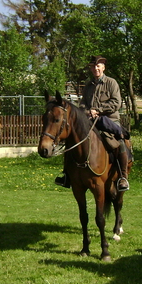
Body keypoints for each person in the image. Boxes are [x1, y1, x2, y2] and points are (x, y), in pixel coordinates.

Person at [55, 55, 130, 192]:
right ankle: (66, 174)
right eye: (93, 66)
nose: (95, 68)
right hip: (89, 120)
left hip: (109, 119)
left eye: (98, 66)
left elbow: (116, 103)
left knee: (119, 141)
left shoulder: (111, 83)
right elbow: (82, 103)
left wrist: (99, 110)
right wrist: (86, 111)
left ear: (103, 67)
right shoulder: (88, 85)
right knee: (72, 141)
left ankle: (122, 177)